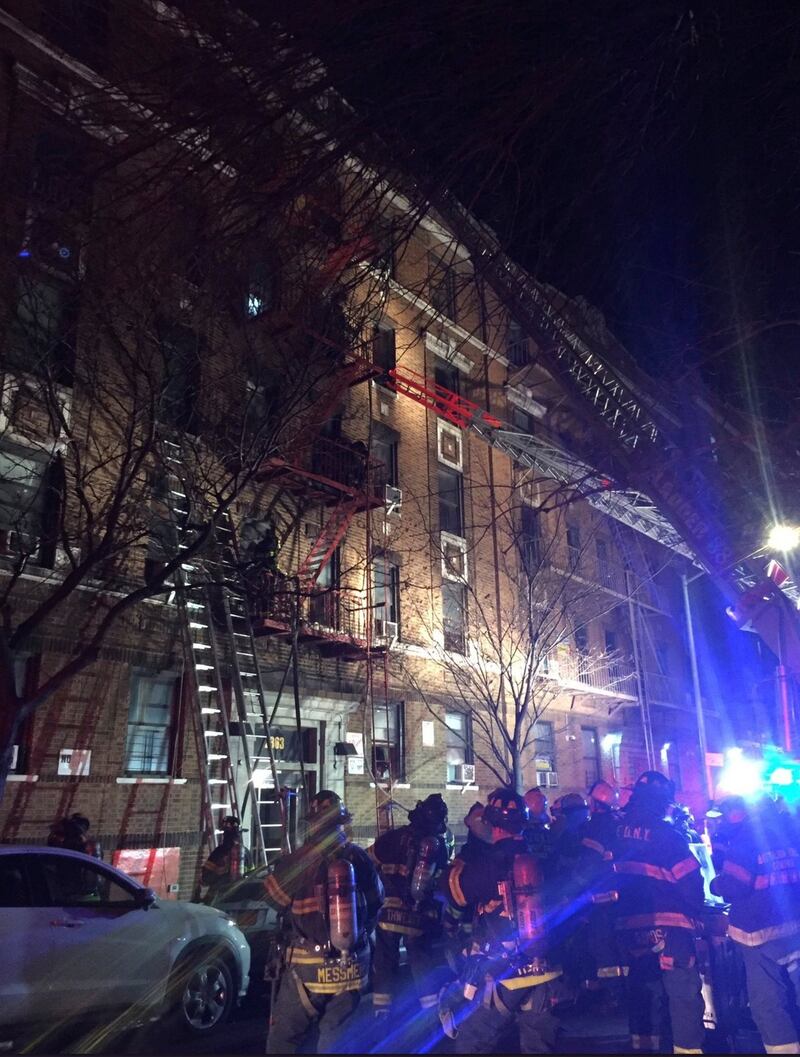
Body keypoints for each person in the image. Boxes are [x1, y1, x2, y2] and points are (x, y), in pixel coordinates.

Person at [262, 791, 384, 1054]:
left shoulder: (299, 860)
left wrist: (284, 865)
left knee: (283, 1039)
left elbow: (272, 898)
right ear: (342, 822)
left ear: (314, 824)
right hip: (352, 966)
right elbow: (377, 902)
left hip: (308, 970)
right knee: (337, 1040)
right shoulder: (359, 858)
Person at [442, 787, 562, 1054]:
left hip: (504, 974)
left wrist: (463, 859)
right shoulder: (544, 858)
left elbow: (453, 892)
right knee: (539, 1047)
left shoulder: (488, 863)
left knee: (471, 1042)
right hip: (545, 967)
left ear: (491, 824)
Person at [612, 770, 706, 1055]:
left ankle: (644, 1048)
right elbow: (690, 881)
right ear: (661, 801)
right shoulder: (668, 836)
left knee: (643, 990)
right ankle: (687, 1050)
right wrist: (698, 913)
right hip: (671, 926)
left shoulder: (617, 832)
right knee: (683, 994)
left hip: (629, 927)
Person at [711, 795, 800, 1055]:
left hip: (759, 934)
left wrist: (716, 884)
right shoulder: (790, 833)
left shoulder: (745, 840)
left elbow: (734, 884)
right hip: (794, 926)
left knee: (767, 1002)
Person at [368, 793, 452, 1019]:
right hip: (418, 914)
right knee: (421, 961)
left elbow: (367, 863)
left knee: (385, 960)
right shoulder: (437, 846)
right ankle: (431, 1011)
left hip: (388, 913)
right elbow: (441, 880)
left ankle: (382, 1012)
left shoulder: (392, 838)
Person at [201, 815, 252, 898]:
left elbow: (206, 879)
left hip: (219, 899)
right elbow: (251, 875)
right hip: (240, 898)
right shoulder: (246, 852)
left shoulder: (218, 852)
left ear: (225, 834)